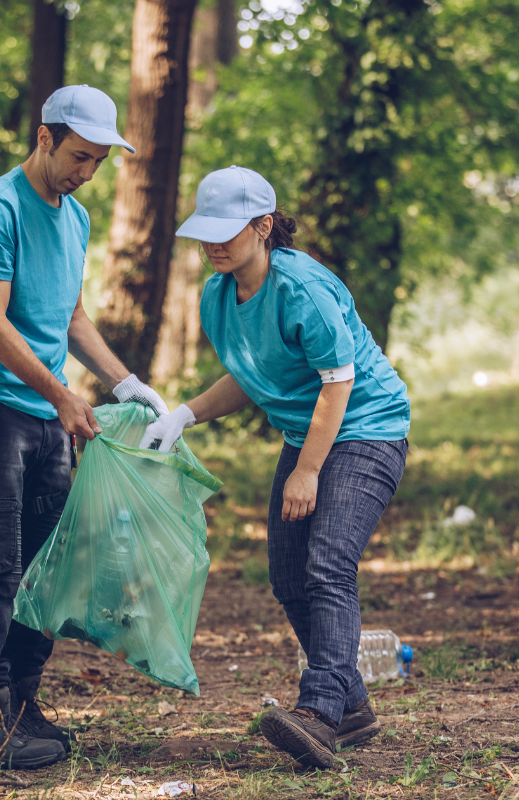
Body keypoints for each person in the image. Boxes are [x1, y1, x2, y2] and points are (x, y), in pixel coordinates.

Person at [143, 166, 411, 769]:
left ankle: (319, 714)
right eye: (205, 230)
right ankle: (356, 707)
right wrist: (183, 415)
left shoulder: (302, 288)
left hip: (367, 426)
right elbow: (249, 375)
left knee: (329, 563)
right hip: (309, 431)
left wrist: (308, 469)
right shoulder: (218, 295)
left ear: (264, 227)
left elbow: (338, 383)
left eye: (227, 229)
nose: (214, 242)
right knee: (289, 574)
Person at [0, 85, 170, 770]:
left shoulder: (75, 218)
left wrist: (126, 383)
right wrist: (64, 395)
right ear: (45, 138)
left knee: (47, 568)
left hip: (47, 411)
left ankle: (20, 701)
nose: (86, 172)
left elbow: (69, 320)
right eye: (79, 156)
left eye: (98, 161)